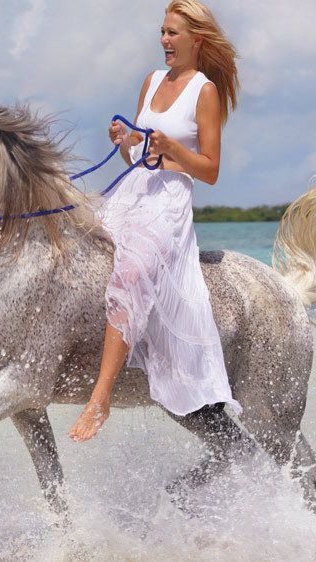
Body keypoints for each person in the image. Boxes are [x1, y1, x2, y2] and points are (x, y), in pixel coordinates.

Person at [68, 0, 242, 442]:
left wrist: (173, 149)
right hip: (133, 187)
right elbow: (140, 153)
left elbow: (210, 170)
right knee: (72, 244)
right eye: (162, 31)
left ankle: (101, 396)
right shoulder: (150, 82)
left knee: (131, 271)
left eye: (173, 33)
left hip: (169, 199)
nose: (164, 40)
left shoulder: (204, 91)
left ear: (196, 40)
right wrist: (128, 140)